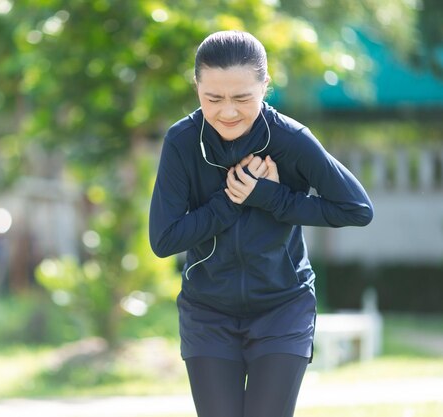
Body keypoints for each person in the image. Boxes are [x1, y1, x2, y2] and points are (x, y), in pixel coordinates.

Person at [149, 30, 373, 417]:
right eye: (213, 98)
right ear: (197, 87)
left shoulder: (291, 140)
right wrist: (229, 202)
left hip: (283, 308)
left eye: (242, 98)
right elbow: (164, 239)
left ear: (265, 86)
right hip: (208, 313)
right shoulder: (182, 142)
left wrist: (269, 197)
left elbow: (355, 209)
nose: (228, 111)